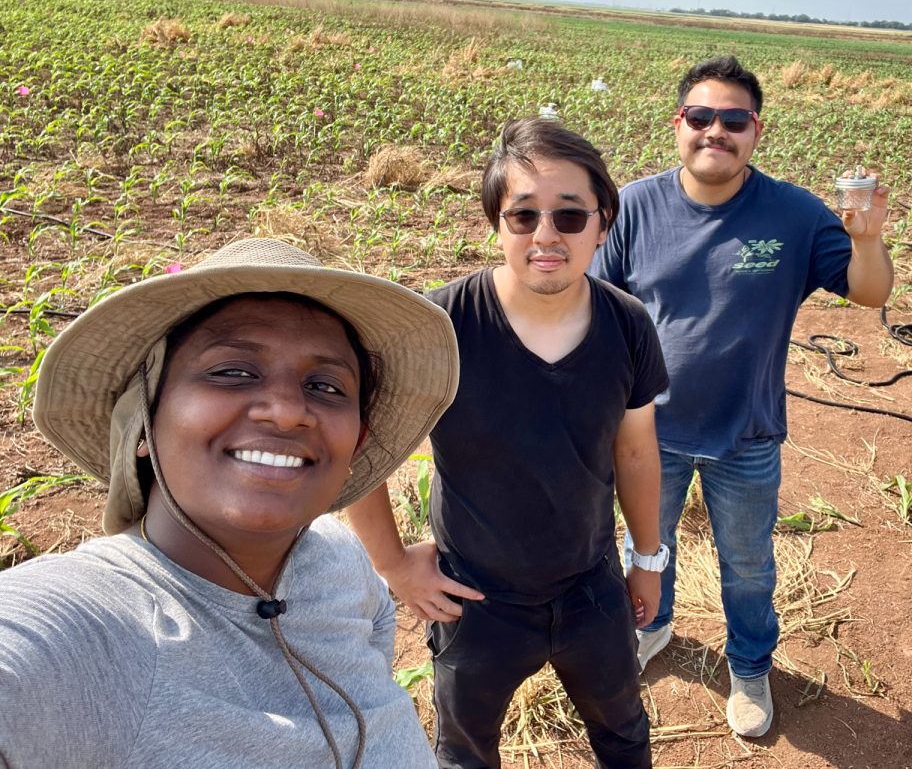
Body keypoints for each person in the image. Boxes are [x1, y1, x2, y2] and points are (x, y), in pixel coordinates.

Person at [0, 238, 460, 768]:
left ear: (357, 442)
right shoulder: (83, 635)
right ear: (142, 420)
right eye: (233, 372)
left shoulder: (340, 560)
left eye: (325, 385)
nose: (288, 411)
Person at [347, 117, 669, 769]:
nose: (546, 235)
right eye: (523, 216)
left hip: (592, 586)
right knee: (465, 752)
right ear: (497, 224)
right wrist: (393, 564)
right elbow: (361, 450)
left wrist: (647, 558)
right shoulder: (438, 329)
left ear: (603, 224)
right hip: (475, 601)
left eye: (570, 217)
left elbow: (635, 453)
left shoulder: (627, 326)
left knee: (624, 733)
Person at [591, 55, 894, 738]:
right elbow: (597, 310)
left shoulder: (790, 213)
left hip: (747, 433)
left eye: (734, 120)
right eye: (701, 117)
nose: (715, 132)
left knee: (749, 564)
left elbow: (871, 291)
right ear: (679, 124)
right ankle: (654, 627)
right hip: (647, 432)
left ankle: (751, 664)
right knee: (647, 545)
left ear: (756, 131)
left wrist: (867, 239)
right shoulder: (636, 206)